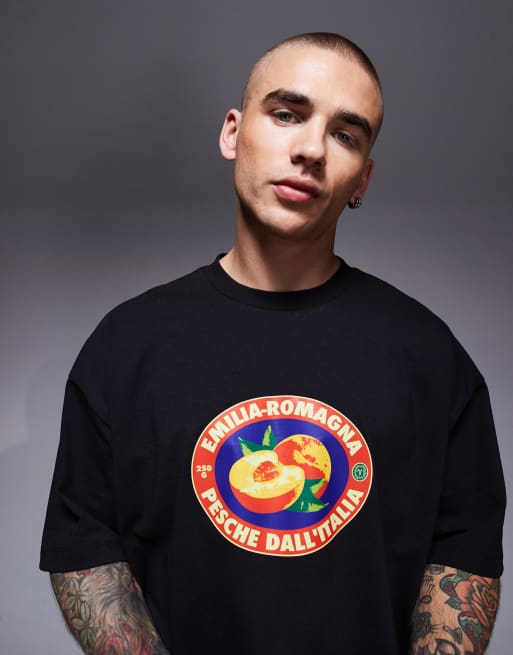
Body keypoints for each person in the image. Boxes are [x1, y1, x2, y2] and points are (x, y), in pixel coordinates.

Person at [40, 32, 505, 655]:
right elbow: (87, 550)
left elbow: (463, 558)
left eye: (346, 135)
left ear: (362, 179)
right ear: (233, 134)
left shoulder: (430, 356)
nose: (310, 149)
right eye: (287, 114)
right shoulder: (125, 346)